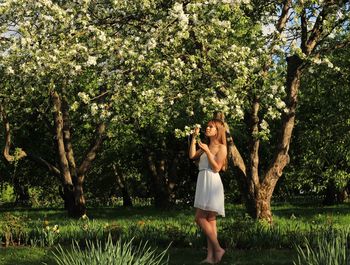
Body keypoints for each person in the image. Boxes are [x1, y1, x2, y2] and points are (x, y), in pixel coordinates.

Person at [189, 119, 227, 264]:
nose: (208, 128)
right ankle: (211, 258)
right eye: (208, 126)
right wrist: (194, 138)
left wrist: (207, 152)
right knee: (210, 220)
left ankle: (218, 249)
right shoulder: (206, 145)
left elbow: (217, 167)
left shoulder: (221, 147)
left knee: (199, 218)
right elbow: (192, 156)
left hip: (212, 182)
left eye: (211, 127)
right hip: (202, 180)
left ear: (218, 131)